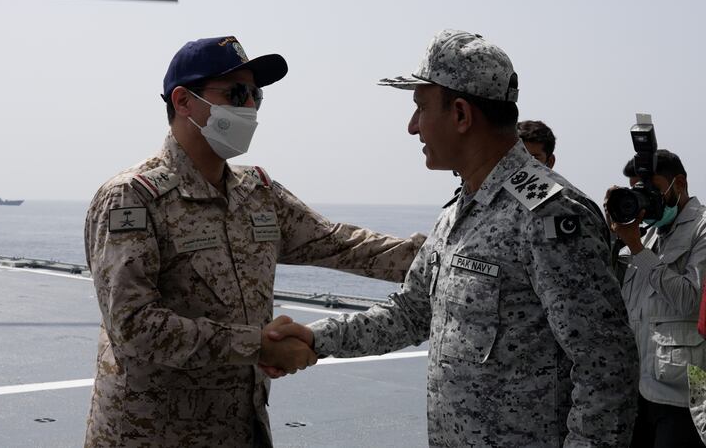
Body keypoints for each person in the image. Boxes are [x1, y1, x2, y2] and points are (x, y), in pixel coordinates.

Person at [266, 29, 638, 447]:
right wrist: (317, 337)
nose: (412, 127)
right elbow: (411, 311)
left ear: (461, 115)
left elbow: (605, 368)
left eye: (420, 107)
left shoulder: (550, 215)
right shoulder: (460, 209)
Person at [83, 36, 425, 447]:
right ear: (182, 101)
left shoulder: (257, 192)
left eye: (255, 96)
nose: (248, 107)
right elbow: (134, 327)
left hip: (242, 427)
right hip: (152, 434)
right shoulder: (133, 197)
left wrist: (444, 255)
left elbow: (340, 244)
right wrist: (257, 346)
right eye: (235, 93)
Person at [607, 149, 706, 447]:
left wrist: (638, 250)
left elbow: (693, 300)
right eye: (638, 192)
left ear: (680, 184)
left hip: (689, 393)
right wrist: (613, 233)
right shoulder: (648, 234)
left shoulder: (702, 228)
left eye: (652, 190)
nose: (646, 200)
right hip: (639, 389)